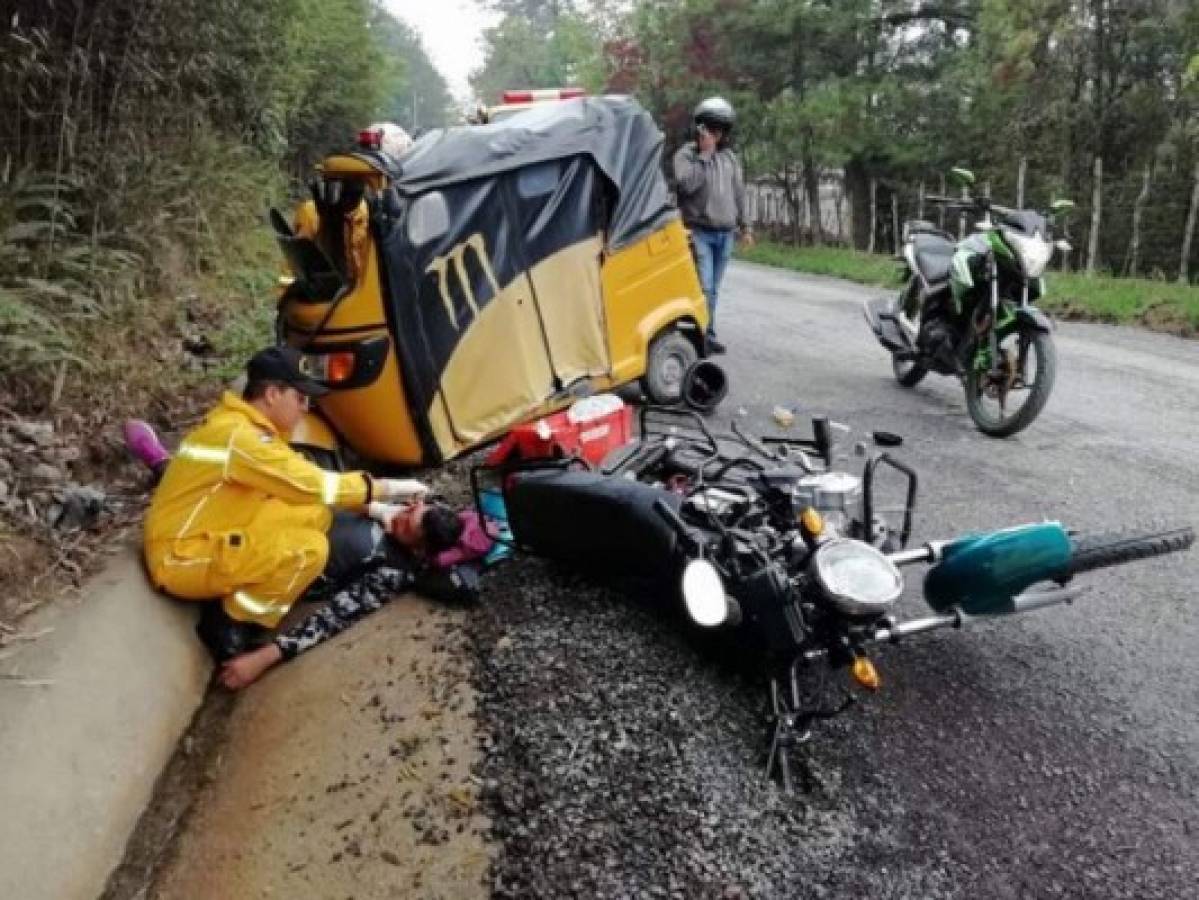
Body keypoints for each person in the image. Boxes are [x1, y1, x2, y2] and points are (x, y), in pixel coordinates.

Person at [141, 345, 430, 662]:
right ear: (272, 394)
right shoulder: (243, 440)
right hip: (181, 555)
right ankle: (231, 621)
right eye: (300, 397)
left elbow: (306, 487)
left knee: (314, 512)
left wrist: (377, 510)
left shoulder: (245, 428)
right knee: (310, 550)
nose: (304, 407)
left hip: (208, 529)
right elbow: (314, 484)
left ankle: (233, 594)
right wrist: (390, 488)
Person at [672, 97, 754, 355]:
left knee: (713, 289)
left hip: (726, 234)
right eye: (711, 129)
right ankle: (703, 336)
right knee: (704, 287)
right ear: (701, 128)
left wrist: (746, 227)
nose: (715, 135)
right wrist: (705, 155)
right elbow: (686, 185)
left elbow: (739, 193)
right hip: (699, 232)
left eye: (720, 130)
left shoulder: (730, 158)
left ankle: (707, 332)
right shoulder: (687, 155)